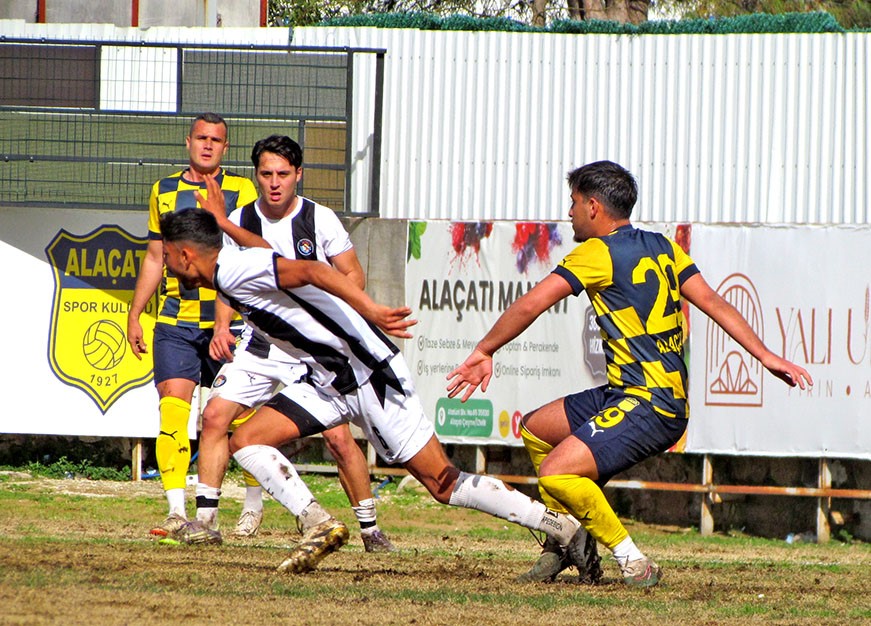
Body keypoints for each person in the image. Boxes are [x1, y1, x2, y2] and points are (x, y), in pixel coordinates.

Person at [446, 160, 813, 587]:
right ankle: (565, 542)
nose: (569, 212)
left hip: (649, 402)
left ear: (594, 207)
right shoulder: (662, 246)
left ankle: (634, 561)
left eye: (574, 202)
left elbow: (532, 304)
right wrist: (765, 355)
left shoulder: (596, 253)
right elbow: (714, 302)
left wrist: (484, 350)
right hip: (643, 395)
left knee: (557, 472)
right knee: (537, 429)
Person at [158, 206, 584, 574]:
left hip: (368, 373)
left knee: (442, 484)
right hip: (328, 378)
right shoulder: (230, 266)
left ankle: (561, 527)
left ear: (185, 254)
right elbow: (269, 253)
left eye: (166, 258)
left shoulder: (233, 270)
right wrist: (223, 221)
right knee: (247, 440)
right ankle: (318, 523)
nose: (165, 267)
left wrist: (372, 310)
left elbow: (311, 270)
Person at [192, 134, 395, 551]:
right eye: (266, 174)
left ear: (298, 174)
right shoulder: (240, 219)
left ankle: (371, 530)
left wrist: (322, 312)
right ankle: (205, 522)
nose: (274, 182)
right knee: (214, 416)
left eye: (283, 174)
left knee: (338, 439)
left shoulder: (319, 218)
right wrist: (221, 327)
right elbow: (226, 278)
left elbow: (352, 275)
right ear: (256, 176)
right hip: (262, 343)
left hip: (310, 349)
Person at [127, 113, 258, 537]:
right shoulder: (163, 190)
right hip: (175, 322)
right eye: (201, 137)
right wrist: (135, 313)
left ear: (225, 148)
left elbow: (246, 255)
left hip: (229, 322)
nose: (207, 145)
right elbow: (155, 257)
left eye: (216, 140)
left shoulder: (241, 190)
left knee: (239, 417)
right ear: (188, 142)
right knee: (172, 410)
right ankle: (175, 510)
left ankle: (252, 504)